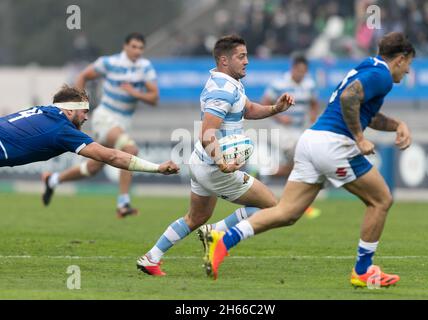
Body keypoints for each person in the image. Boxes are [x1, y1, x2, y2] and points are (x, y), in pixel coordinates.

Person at [204, 32, 415, 288]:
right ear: (401, 59)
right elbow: (350, 98)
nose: (407, 73)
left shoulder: (369, 66)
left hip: (311, 140)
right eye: (409, 65)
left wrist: (398, 125)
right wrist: (359, 138)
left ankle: (223, 239)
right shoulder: (382, 76)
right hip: (334, 144)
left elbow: (365, 111)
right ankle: (363, 271)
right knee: (381, 199)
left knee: (287, 212)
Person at [136, 34, 295, 276]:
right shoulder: (222, 90)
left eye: (247, 56)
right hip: (214, 166)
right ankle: (217, 232)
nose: (247, 61)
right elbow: (207, 133)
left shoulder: (229, 83)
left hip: (202, 162)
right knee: (271, 206)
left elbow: (248, 109)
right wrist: (222, 163)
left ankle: (151, 257)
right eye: (241, 56)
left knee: (196, 216)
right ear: (224, 60)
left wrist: (275, 108)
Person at [41, 32, 160, 218]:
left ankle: (53, 180)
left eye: (141, 48)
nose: (137, 51)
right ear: (125, 46)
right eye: (134, 47)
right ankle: (123, 203)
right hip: (106, 116)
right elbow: (83, 75)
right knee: (130, 149)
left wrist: (134, 93)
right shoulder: (110, 63)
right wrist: (81, 106)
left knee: (93, 168)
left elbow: (154, 99)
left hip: (124, 122)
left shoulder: (145, 68)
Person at [0, 85, 179, 180]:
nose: (86, 118)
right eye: (84, 112)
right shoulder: (62, 130)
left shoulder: (44, 110)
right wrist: (157, 168)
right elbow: (111, 157)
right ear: (69, 111)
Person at [259, 53, 321, 219]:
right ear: (293, 68)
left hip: (299, 130)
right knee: (302, 161)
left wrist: (314, 117)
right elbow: (264, 103)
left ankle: (264, 174)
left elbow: (314, 103)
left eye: (304, 71)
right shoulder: (279, 83)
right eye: (299, 70)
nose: (301, 74)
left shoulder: (309, 84)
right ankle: (301, 204)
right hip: (280, 130)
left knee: (295, 167)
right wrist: (280, 116)